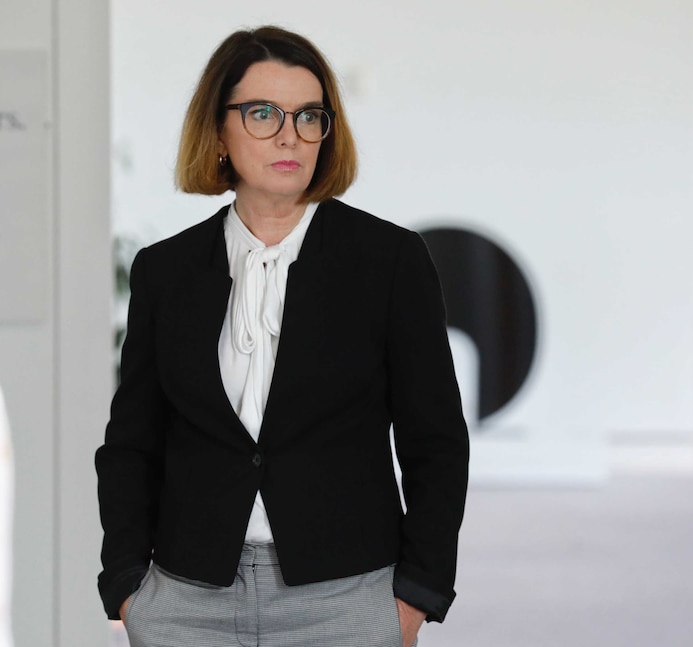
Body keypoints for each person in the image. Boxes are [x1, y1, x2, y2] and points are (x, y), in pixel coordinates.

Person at [95, 26, 469, 647]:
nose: (289, 134)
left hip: (346, 598)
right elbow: (132, 442)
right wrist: (128, 587)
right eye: (262, 113)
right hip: (186, 600)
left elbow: (436, 440)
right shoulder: (165, 270)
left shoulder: (391, 260)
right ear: (218, 130)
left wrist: (416, 596)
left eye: (308, 115)